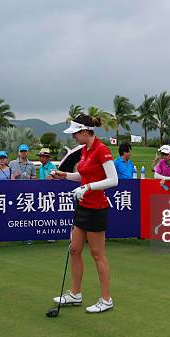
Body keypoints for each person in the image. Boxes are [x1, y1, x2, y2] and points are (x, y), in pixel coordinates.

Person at [50, 114, 118, 313]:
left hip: (96, 208)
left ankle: (106, 299)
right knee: (74, 249)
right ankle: (75, 294)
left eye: (75, 134)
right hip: (83, 206)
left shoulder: (101, 149)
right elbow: (83, 175)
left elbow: (113, 180)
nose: (73, 137)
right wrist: (65, 175)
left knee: (98, 255)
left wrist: (88, 188)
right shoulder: (84, 150)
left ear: (85, 131)